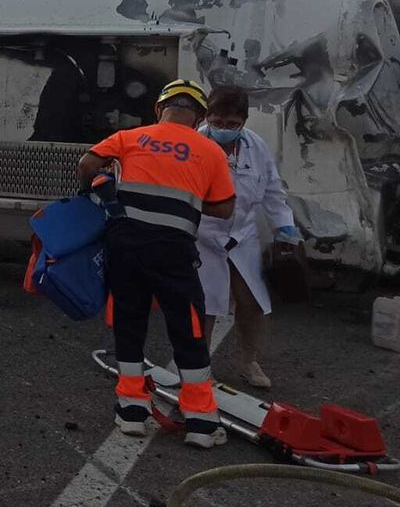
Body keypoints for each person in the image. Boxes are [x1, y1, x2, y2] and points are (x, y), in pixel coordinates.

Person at [77, 79, 237, 448]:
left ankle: (132, 412)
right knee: (188, 329)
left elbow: (87, 163)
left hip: (126, 246)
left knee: (129, 325)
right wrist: (192, 200)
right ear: (198, 117)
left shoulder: (131, 137)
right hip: (173, 252)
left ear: (159, 109)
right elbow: (225, 208)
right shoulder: (210, 151)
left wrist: (95, 193)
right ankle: (200, 422)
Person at [196, 85, 300, 389]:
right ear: (207, 116)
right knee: (206, 305)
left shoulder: (255, 146)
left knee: (252, 301)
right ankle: (197, 367)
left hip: (242, 235)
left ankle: (248, 361)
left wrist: (285, 225)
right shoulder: (195, 144)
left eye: (232, 124)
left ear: (243, 121)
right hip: (203, 235)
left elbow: (271, 189)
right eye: (217, 122)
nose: (224, 129)